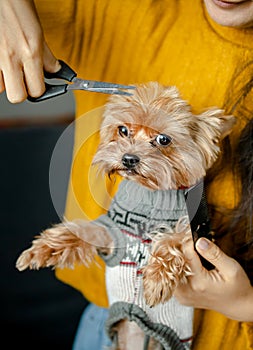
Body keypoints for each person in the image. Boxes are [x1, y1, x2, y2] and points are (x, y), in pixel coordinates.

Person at [0, 0, 252, 349]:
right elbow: (114, 232)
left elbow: (186, 237)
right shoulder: (113, 7)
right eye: (124, 133)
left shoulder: (185, 198)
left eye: (162, 141)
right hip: (108, 319)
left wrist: (246, 305)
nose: (133, 153)